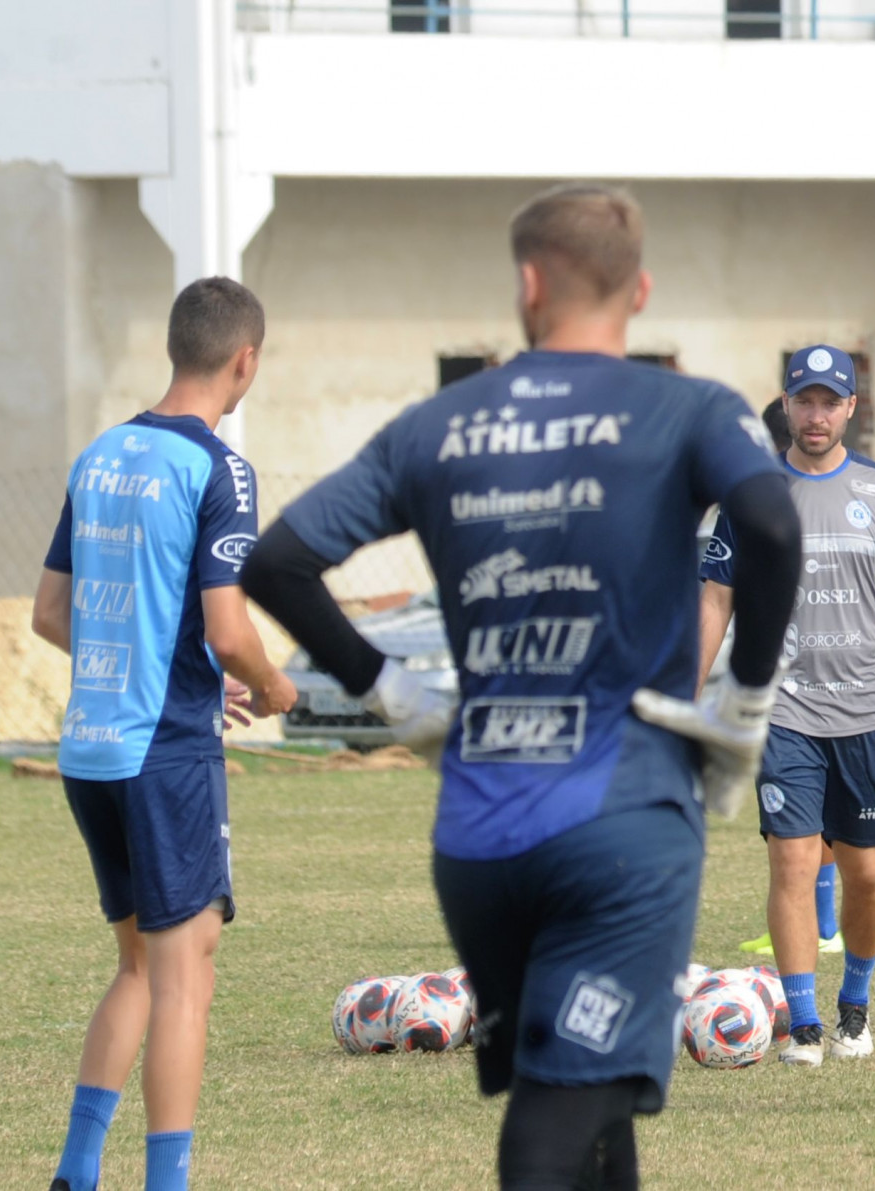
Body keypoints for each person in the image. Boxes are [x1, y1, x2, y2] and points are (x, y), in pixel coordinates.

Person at [240, 184, 801, 1190]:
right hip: (619, 826)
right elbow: (771, 526)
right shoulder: (686, 409)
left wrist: (394, 696)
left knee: (599, 1103)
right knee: (556, 1119)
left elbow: (277, 560)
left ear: (527, 284)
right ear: (641, 291)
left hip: (477, 833)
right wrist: (744, 699)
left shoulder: (439, 426)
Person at [31, 277, 297, 1191]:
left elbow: (50, 613)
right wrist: (270, 683)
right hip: (163, 750)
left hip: (90, 748)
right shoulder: (217, 468)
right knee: (189, 974)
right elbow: (228, 628)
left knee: (139, 964)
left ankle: (75, 1169)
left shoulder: (102, 452)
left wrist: (160, 660)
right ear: (245, 360)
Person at [697, 345, 875, 1065]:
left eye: (828, 401)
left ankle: (855, 1004)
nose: (814, 414)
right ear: (784, 404)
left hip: (866, 712)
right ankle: (803, 1023)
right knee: (793, 862)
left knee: (866, 872)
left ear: (849, 408)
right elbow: (715, 597)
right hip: (782, 710)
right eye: (802, 400)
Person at [739, 398, 845, 956]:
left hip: (801, 684)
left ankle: (822, 924)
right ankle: (822, 924)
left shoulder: (780, 500)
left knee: (803, 823)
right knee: (807, 818)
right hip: (812, 686)